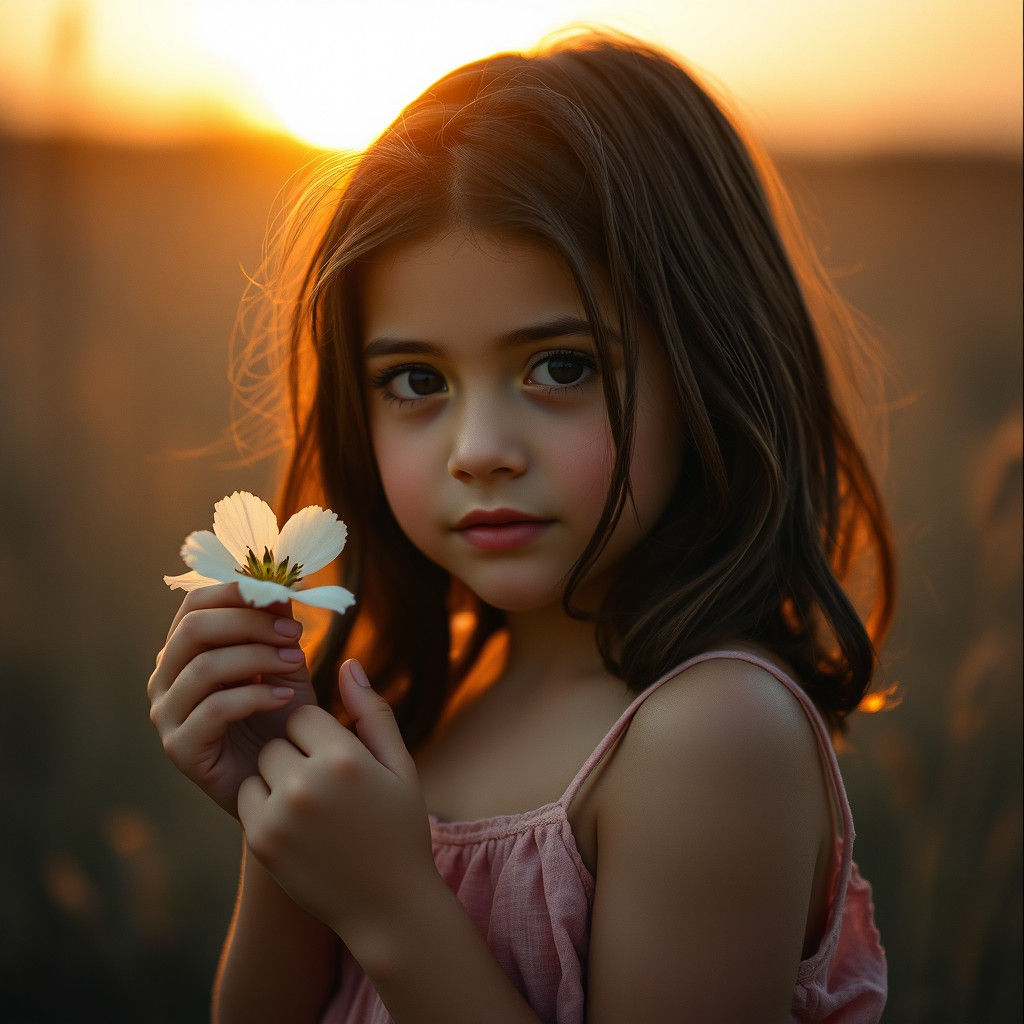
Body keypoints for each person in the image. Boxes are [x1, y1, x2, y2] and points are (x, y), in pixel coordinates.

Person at [147, 28, 894, 1024]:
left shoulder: (710, 736)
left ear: (707, 360)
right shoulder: (430, 704)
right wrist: (281, 812)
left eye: (561, 366)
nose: (479, 448)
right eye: (416, 381)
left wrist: (390, 905)